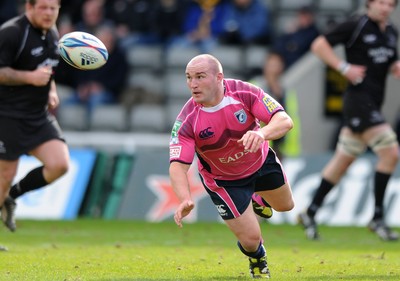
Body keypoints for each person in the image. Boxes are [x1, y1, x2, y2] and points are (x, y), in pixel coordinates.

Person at [169, 54, 295, 278]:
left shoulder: (245, 92)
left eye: (200, 76)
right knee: (251, 239)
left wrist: (262, 133)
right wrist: (185, 198)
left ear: (219, 77)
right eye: (189, 78)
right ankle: (258, 260)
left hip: (259, 162)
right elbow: (178, 165)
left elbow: (284, 120)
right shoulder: (187, 120)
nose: (193, 84)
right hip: (224, 181)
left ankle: (258, 198)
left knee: (286, 206)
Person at [297, 0, 400, 241]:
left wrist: (395, 67)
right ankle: (377, 217)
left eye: (390, 4)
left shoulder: (391, 30)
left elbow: (390, 62)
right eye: (381, 2)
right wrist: (343, 67)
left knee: (343, 160)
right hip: (358, 102)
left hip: (373, 102)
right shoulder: (356, 24)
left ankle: (310, 211)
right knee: (391, 153)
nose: (386, 8)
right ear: (369, 3)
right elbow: (319, 45)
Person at [0, 0, 69, 232]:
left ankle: (12, 196)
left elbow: (47, 68)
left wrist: (51, 89)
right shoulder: (11, 33)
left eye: (54, 8)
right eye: (43, 7)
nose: (49, 13)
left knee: (59, 164)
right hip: (8, 114)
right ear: (29, 8)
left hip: (37, 115)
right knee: (5, 174)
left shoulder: (52, 32)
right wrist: (29, 78)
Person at [61, 23, 129, 120]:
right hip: (86, 90)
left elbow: (119, 81)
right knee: (68, 102)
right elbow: (78, 74)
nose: (105, 44)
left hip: (107, 92)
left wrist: (101, 87)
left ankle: (88, 131)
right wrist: (82, 87)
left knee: (96, 100)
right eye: (102, 41)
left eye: (108, 41)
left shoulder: (119, 58)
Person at [273, 5, 319, 70]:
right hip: (286, 65)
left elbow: (299, 46)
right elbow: (278, 47)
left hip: (300, 66)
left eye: (305, 15)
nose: (303, 18)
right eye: (301, 15)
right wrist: (287, 34)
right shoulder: (293, 31)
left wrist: (290, 43)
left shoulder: (313, 33)